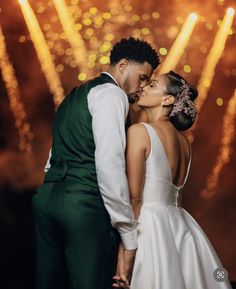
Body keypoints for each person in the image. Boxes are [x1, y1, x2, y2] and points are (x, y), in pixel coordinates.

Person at [32, 37, 160, 289]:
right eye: (143, 77)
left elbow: (52, 155)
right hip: (83, 204)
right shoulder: (113, 94)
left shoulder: (76, 94)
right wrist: (127, 230)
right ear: (122, 65)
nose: (142, 87)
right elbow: (109, 164)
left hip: (46, 199)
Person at [113, 71, 232, 289]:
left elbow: (135, 198)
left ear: (168, 99)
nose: (144, 87)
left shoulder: (139, 132)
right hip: (181, 225)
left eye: (152, 85)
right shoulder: (185, 143)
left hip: (149, 226)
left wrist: (124, 258)